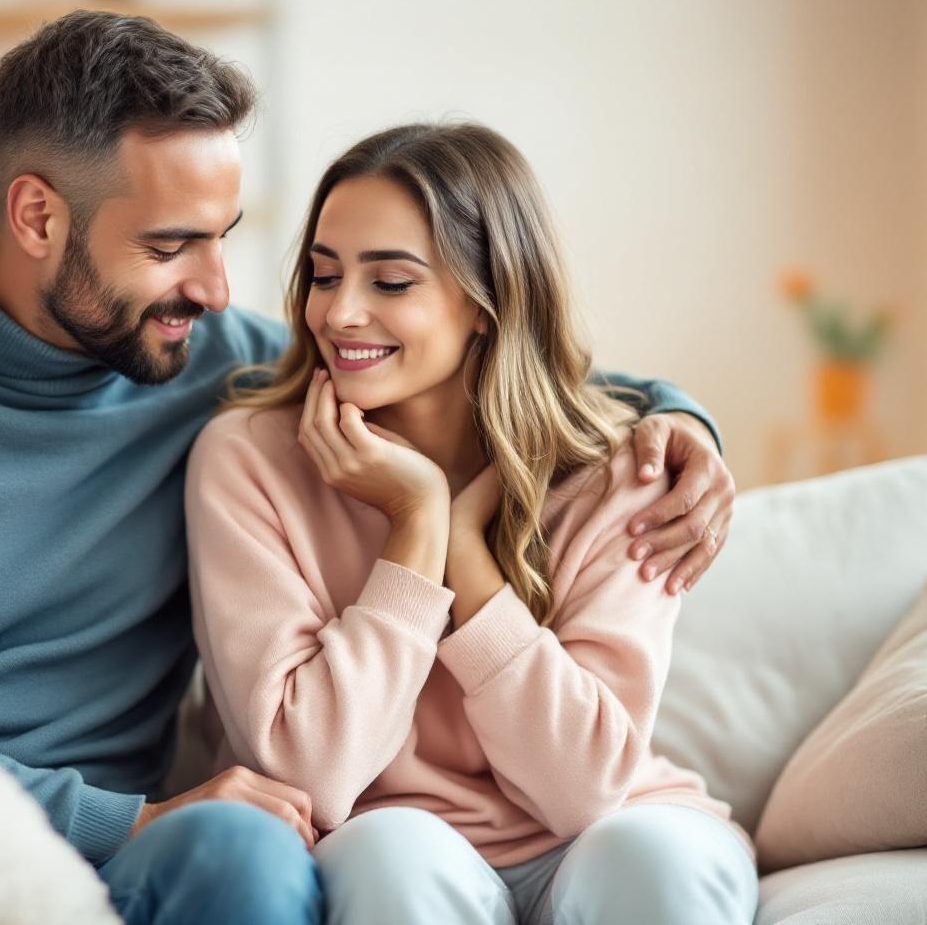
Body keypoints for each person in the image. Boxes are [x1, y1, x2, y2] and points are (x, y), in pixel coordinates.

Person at [0, 12, 735, 925]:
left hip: (150, 860)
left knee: (248, 850)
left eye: (226, 238)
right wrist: (131, 815)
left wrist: (683, 425)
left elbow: (480, 357)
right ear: (36, 216)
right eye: (171, 244)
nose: (216, 284)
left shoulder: (206, 359)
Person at [187, 122, 757, 925]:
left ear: (487, 303)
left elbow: (586, 789)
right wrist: (415, 524)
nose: (340, 313)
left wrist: (464, 550)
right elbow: (314, 772)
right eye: (323, 274)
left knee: (648, 858)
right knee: (395, 856)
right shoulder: (248, 460)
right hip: (385, 838)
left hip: (608, 832)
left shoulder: (623, 471)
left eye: (391, 283)